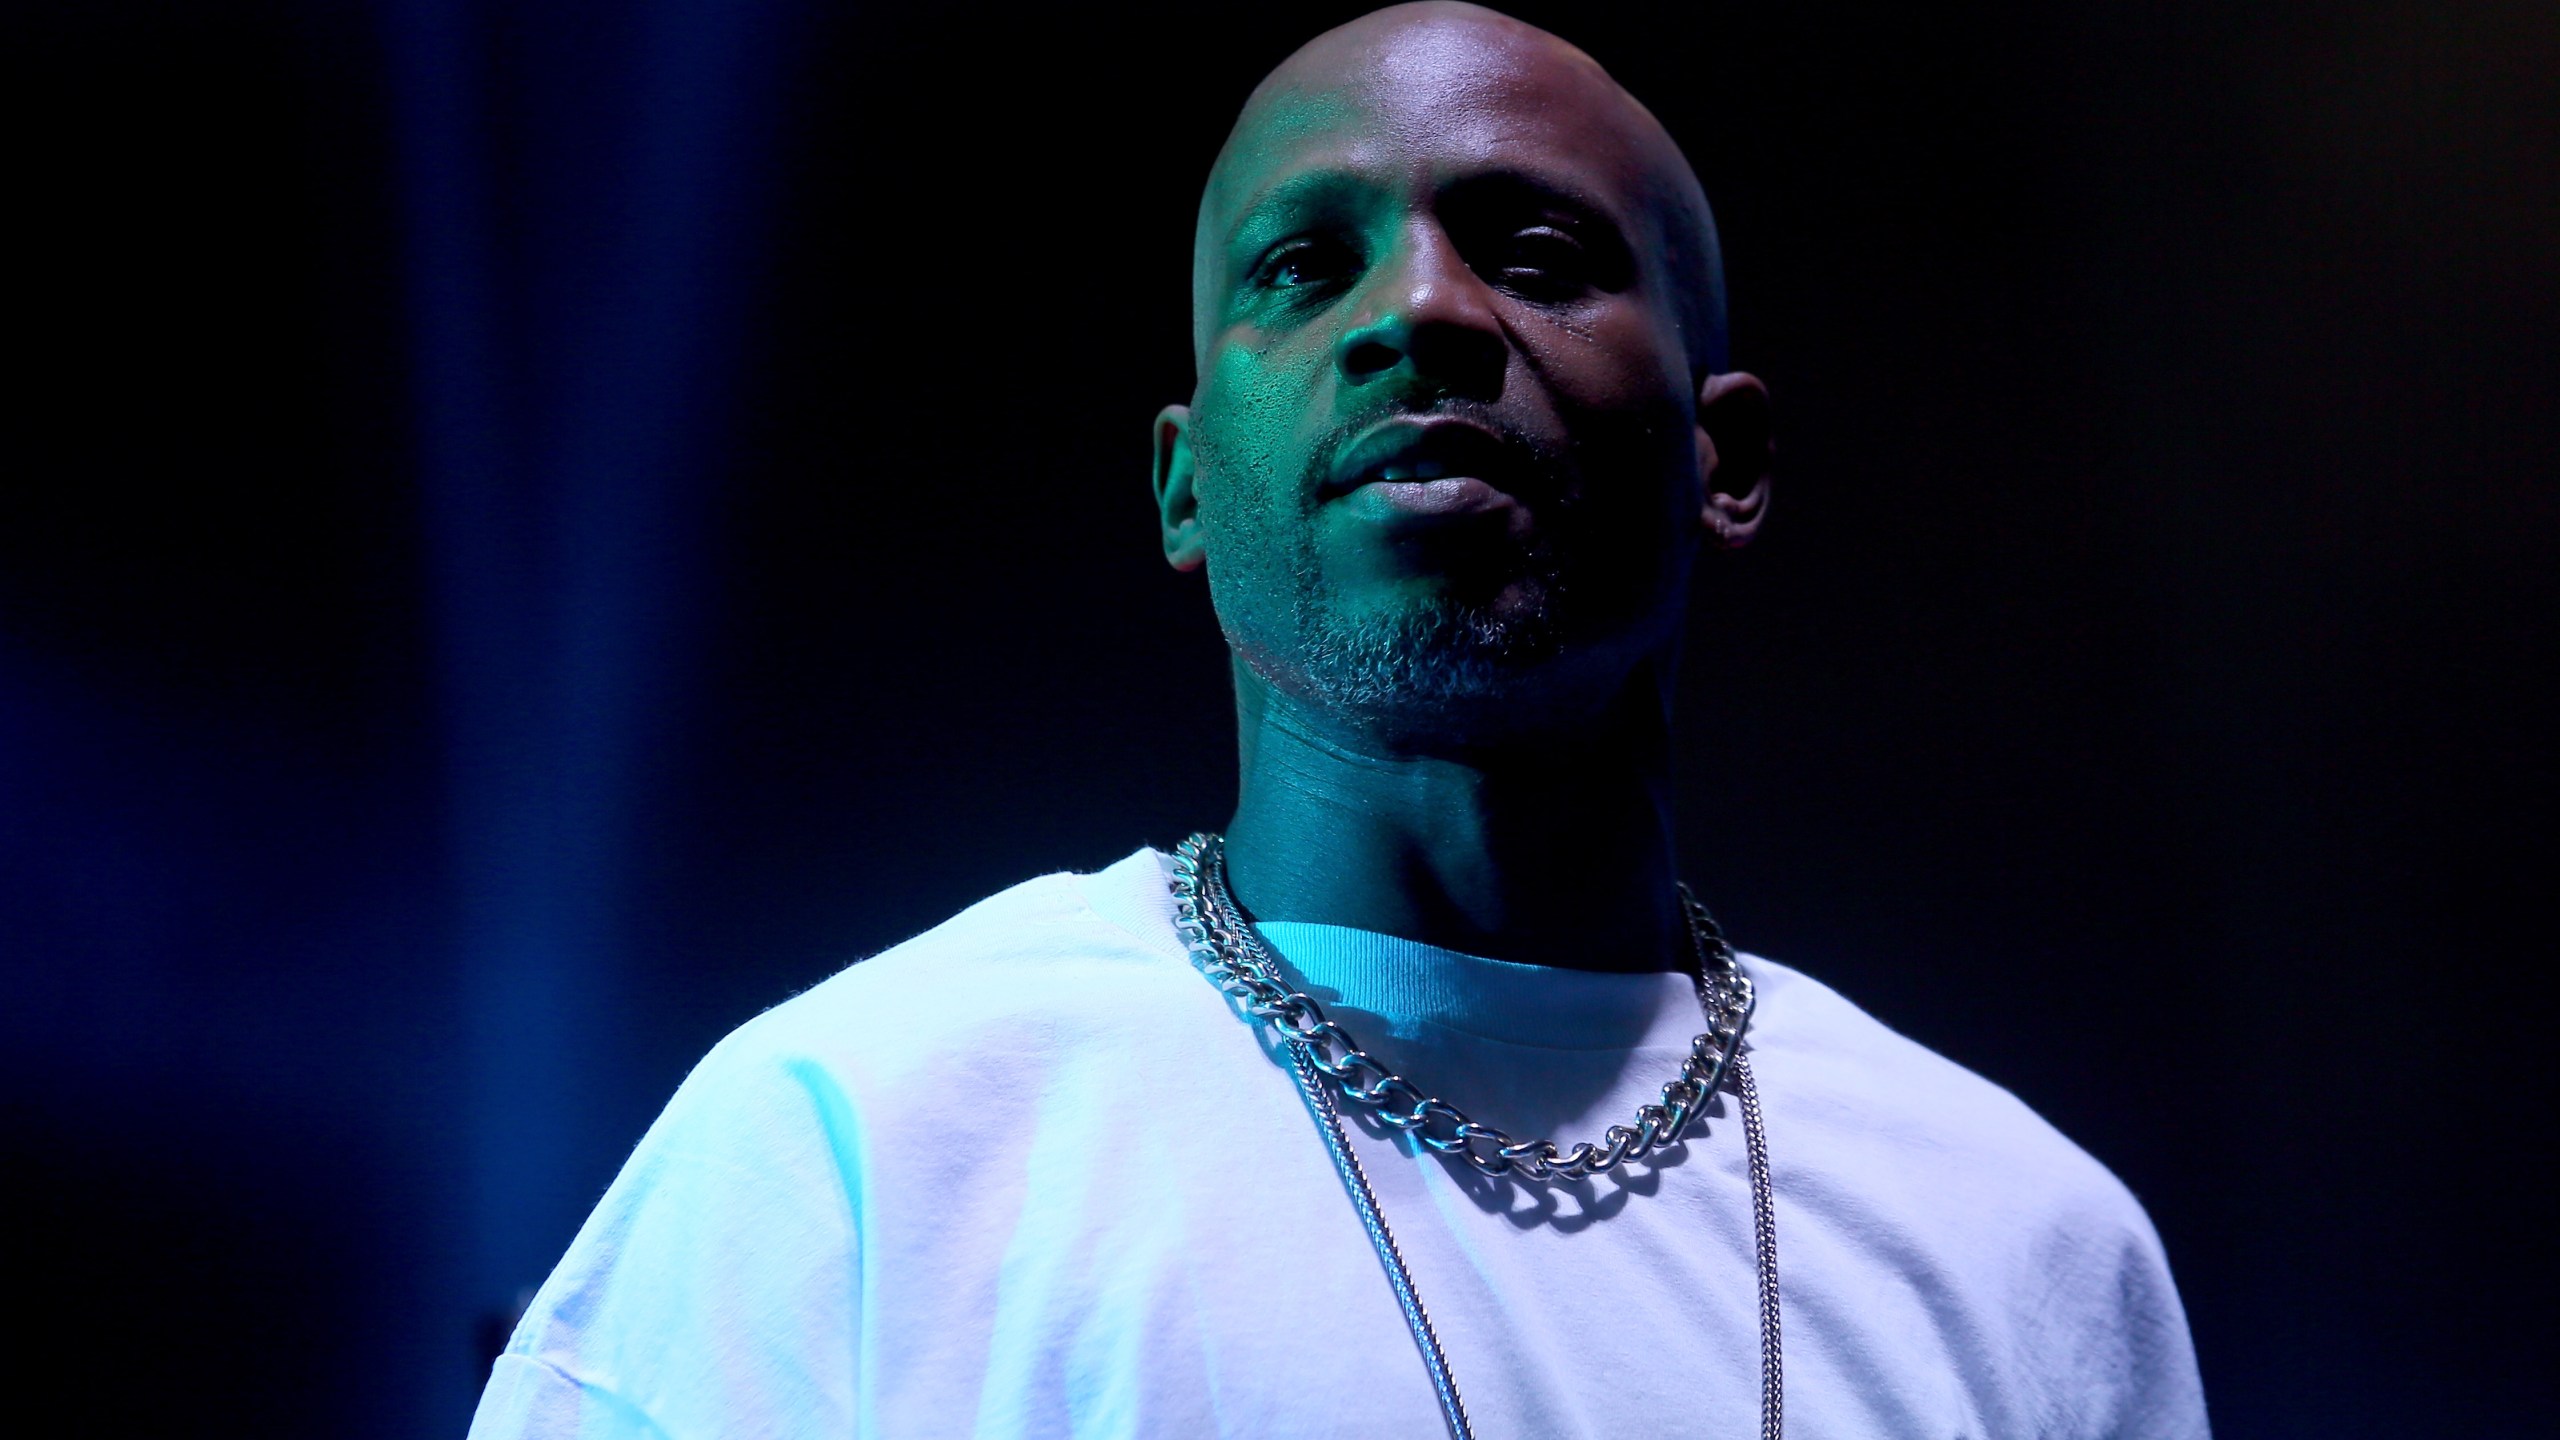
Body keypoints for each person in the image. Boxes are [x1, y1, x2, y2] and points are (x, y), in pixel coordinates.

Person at [467, 4, 2209, 1436]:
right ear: (1183, 487)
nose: (1426, 312)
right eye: (1304, 267)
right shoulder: (850, 1148)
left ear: (1723, 460)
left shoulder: (2020, 1251)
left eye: (1534, 252)